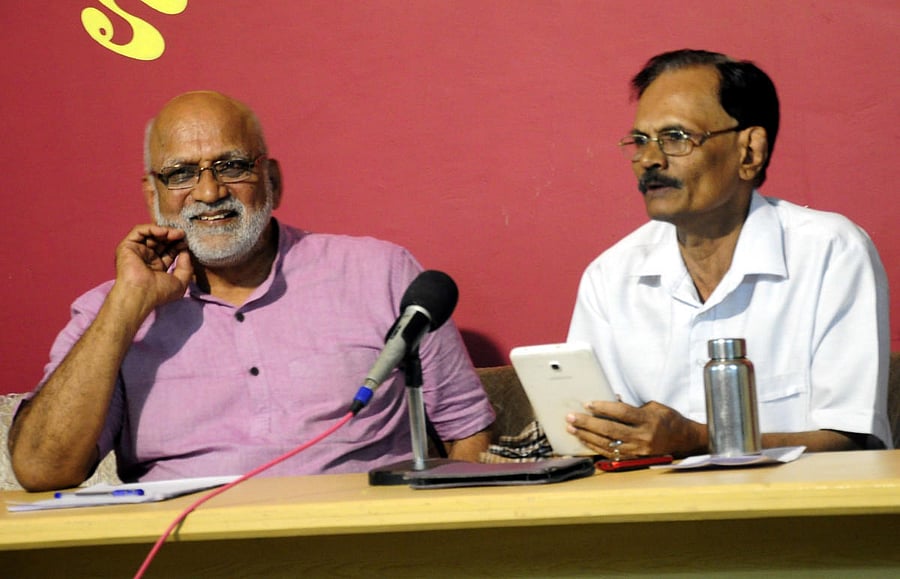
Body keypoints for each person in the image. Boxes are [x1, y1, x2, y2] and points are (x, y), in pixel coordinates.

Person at [9, 91, 494, 491]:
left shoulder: (380, 272)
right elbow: (40, 471)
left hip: (368, 549)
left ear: (273, 181)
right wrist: (124, 310)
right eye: (180, 174)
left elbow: (469, 436)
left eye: (231, 166)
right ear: (152, 195)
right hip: (183, 557)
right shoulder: (109, 311)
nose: (208, 192)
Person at [565, 49, 891, 459]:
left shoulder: (830, 252)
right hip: (654, 514)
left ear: (749, 151)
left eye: (676, 138)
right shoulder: (610, 276)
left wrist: (697, 440)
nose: (649, 160)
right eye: (641, 141)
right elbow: (597, 441)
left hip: (800, 513)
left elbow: (853, 441)